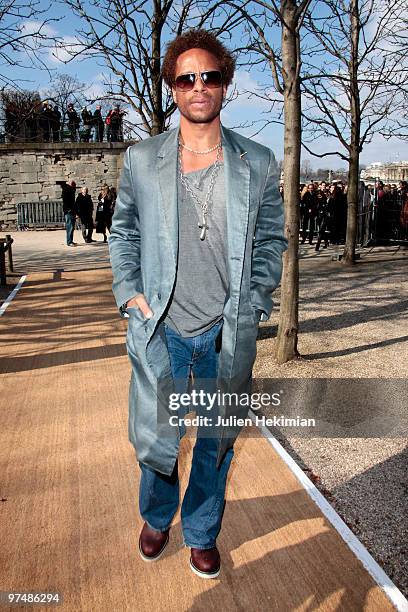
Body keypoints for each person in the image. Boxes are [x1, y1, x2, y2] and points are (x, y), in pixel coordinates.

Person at [109, 28, 288, 579]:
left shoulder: (256, 162)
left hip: (224, 330)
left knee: (214, 439)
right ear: (173, 88)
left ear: (225, 83)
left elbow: (271, 239)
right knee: (158, 435)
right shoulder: (142, 159)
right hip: (161, 325)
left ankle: (203, 529)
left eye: (209, 75)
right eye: (185, 78)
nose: (198, 86)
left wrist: (254, 302)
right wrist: (130, 292)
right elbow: (123, 232)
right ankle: (158, 517)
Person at [61, 180, 77, 246]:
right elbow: (66, 201)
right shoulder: (67, 191)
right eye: (74, 185)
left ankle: (70, 240)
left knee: (72, 226)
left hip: (71, 210)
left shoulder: (70, 191)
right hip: (69, 211)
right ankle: (69, 241)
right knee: (70, 226)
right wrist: (69, 209)